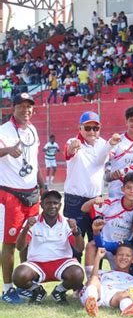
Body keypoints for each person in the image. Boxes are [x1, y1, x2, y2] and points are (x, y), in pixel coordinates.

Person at [0, 93, 44, 303]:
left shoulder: (33, 130)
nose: (26, 110)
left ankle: (24, 283)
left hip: (32, 193)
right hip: (11, 195)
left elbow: (34, 162)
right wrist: (7, 150)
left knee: (28, 240)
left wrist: (43, 186)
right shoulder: (4, 130)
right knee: (9, 242)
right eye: (22, 106)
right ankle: (7, 288)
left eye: (30, 107)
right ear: (13, 107)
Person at [12, 190, 84, 305]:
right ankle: (37, 291)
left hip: (62, 262)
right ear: (41, 205)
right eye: (48, 203)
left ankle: (59, 292)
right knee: (18, 275)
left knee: (78, 274)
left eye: (55, 203)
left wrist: (75, 231)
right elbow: (20, 247)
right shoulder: (33, 222)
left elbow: (79, 248)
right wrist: (26, 228)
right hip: (37, 264)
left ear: (60, 205)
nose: (52, 206)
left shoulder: (66, 222)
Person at [63, 111, 121, 251]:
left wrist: (110, 144)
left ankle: (95, 273)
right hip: (75, 200)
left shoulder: (103, 144)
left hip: (96, 200)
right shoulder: (73, 141)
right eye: (88, 128)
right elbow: (69, 152)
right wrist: (72, 148)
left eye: (95, 128)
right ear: (80, 128)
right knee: (74, 243)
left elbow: (100, 160)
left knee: (96, 241)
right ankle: (72, 272)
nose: (92, 132)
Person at [82, 173, 133, 273]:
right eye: (128, 187)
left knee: (119, 276)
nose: (131, 191)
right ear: (122, 189)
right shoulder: (111, 203)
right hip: (104, 244)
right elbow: (84, 209)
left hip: (122, 248)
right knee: (91, 245)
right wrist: (93, 201)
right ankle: (90, 280)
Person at [80, 245, 133, 317]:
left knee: (125, 296)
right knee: (94, 279)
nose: (124, 257)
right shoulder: (104, 272)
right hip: (98, 294)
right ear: (114, 257)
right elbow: (92, 279)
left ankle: (128, 309)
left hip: (114, 298)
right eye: (120, 254)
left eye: (128, 256)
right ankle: (91, 302)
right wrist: (98, 258)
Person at [107, 106, 133, 198]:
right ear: (126, 122)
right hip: (117, 192)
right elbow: (103, 160)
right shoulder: (117, 141)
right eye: (132, 120)